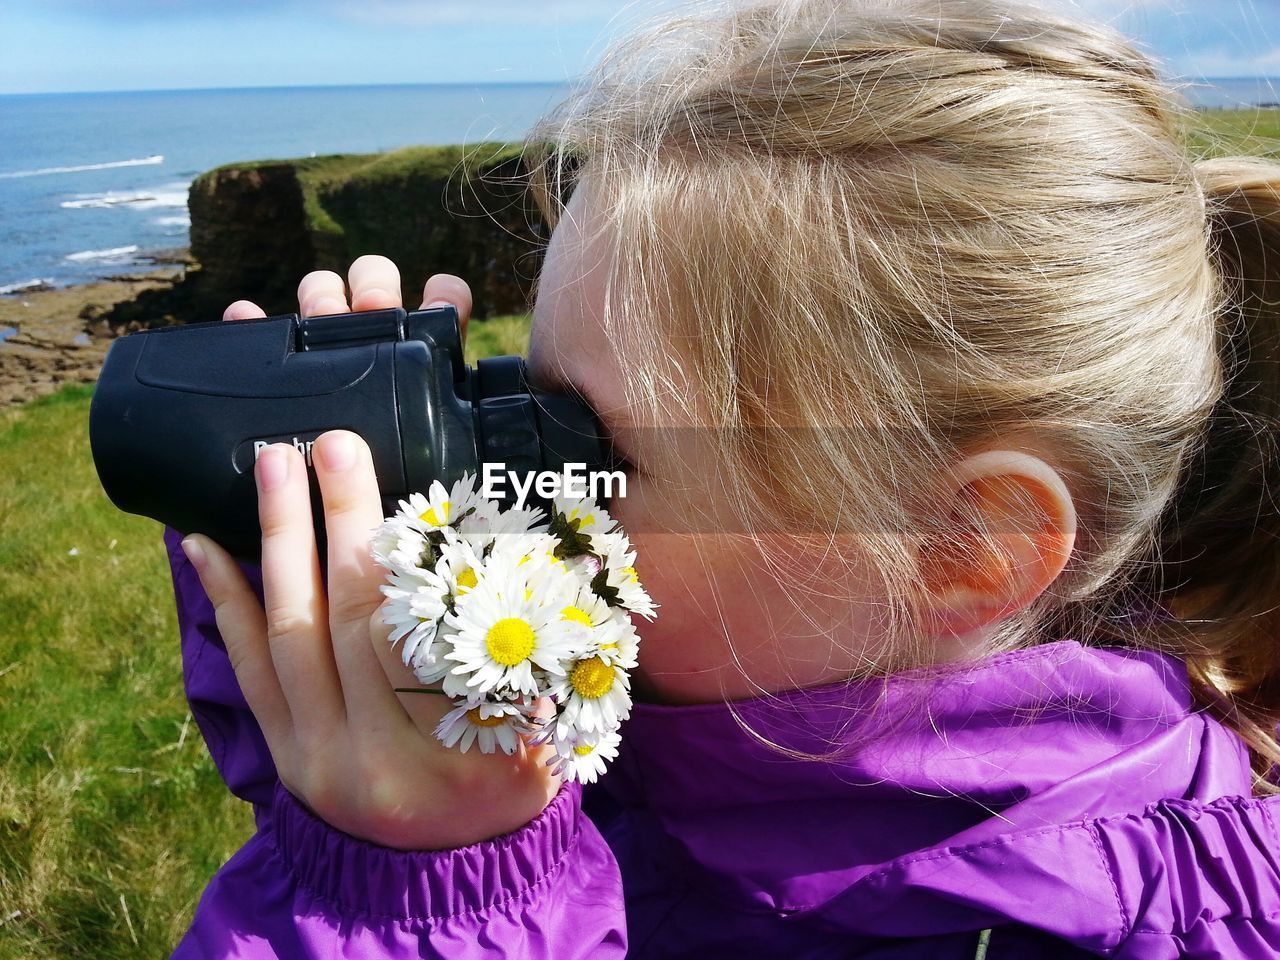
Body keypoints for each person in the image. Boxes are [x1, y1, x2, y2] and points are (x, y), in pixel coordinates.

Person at [164, 0, 1280, 956]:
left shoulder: (1162, 927)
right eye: (508, 390)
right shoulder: (655, 712)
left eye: (585, 446)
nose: (496, 486)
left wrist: (425, 898)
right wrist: (328, 582)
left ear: (957, 547)